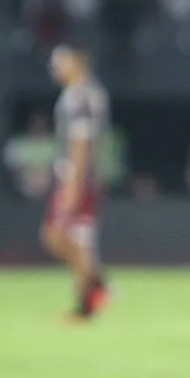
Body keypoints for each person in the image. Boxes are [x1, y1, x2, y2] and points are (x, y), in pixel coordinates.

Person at [42, 44, 111, 322]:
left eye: (61, 61)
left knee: (61, 236)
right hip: (80, 178)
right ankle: (96, 291)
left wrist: (73, 185)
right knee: (72, 241)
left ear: (77, 62)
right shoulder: (84, 93)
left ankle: (88, 303)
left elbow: (82, 143)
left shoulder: (80, 97)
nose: (55, 67)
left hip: (79, 179)